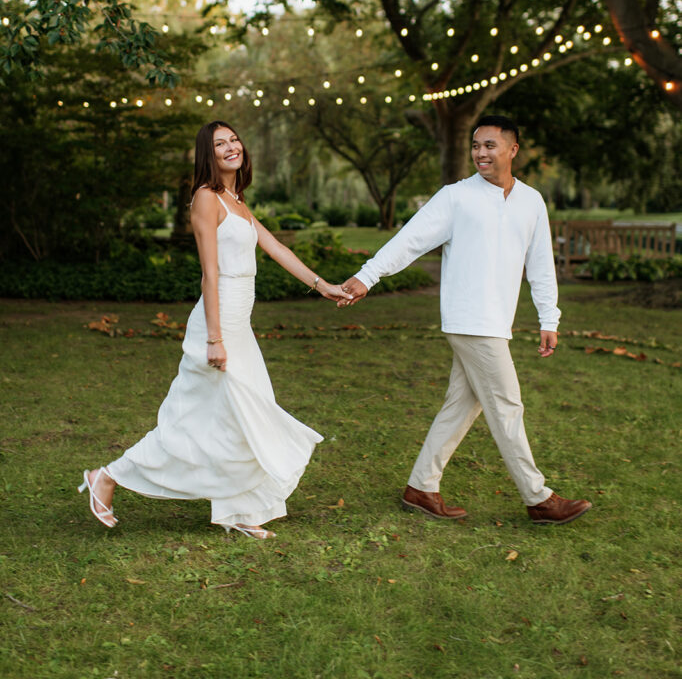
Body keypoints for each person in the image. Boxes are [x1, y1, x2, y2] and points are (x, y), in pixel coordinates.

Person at [79, 120, 346, 540]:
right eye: (220, 144)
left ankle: (240, 510)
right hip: (217, 324)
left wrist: (323, 286)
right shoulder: (206, 198)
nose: (230, 147)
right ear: (209, 154)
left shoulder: (236, 199)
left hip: (239, 325)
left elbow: (277, 249)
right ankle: (107, 476)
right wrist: (216, 339)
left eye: (234, 139)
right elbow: (210, 273)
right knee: (189, 422)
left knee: (242, 417)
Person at [339, 115, 592, 526]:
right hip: (469, 319)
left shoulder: (531, 201)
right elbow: (409, 240)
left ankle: (421, 487)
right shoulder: (455, 197)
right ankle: (538, 496)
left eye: (490, 145)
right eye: (475, 146)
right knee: (507, 405)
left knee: (463, 405)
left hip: (497, 320)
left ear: (512, 149)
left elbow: (541, 265)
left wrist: (550, 318)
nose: (480, 153)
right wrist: (367, 276)